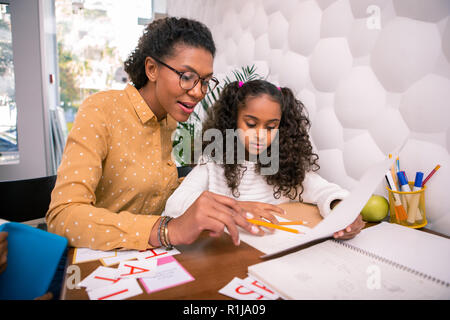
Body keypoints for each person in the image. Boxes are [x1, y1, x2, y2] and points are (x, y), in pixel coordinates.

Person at [46, 17, 274, 251]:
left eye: (205, 81)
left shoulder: (167, 120)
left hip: (151, 259)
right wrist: (167, 230)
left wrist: (229, 206)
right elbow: (63, 217)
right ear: (152, 69)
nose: (198, 92)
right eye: (187, 77)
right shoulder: (101, 110)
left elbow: (157, 193)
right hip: (99, 264)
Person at [163, 80, 365, 239]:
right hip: (228, 250)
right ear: (233, 121)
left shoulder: (286, 165)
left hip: (275, 252)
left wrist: (343, 210)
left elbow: (323, 190)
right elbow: (174, 205)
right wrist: (235, 207)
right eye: (251, 124)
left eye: (270, 127)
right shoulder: (213, 163)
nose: (261, 135)